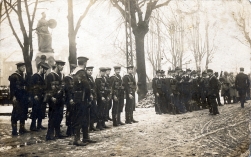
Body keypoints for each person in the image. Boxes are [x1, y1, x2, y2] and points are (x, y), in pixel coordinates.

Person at [71, 57, 96, 146]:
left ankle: (85, 137)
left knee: (84, 117)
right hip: (82, 99)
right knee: (80, 117)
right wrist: (90, 96)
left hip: (78, 98)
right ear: (85, 63)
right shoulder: (82, 72)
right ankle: (77, 139)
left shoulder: (74, 72)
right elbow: (86, 86)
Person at [45, 60, 66, 140]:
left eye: (63, 65)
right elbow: (47, 88)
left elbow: (62, 87)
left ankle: (57, 133)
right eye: (61, 65)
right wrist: (51, 97)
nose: (62, 67)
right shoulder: (50, 75)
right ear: (56, 65)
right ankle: (49, 134)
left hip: (60, 99)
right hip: (53, 99)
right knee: (52, 117)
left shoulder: (61, 75)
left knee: (59, 116)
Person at [9, 62, 29, 135]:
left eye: (24, 66)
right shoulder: (14, 76)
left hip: (24, 97)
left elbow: (27, 86)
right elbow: (12, 88)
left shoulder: (25, 75)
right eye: (22, 67)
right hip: (17, 97)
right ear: (18, 67)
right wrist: (13, 97)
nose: (24, 68)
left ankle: (22, 128)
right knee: (15, 113)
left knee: (23, 112)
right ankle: (14, 130)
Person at [30, 62, 50, 131]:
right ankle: (33, 126)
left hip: (42, 96)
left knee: (41, 111)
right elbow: (32, 87)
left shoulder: (43, 77)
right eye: (45, 69)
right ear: (41, 68)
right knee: (35, 111)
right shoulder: (35, 76)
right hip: (36, 97)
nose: (45, 71)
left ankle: (39, 125)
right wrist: (35, 95)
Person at [86, 66, 99, 131]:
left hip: (93, 96)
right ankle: (87, 127)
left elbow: (94, 87)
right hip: (88, 97)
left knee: (93, 111)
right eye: (89, 70)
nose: (90, 71)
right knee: (87, 112)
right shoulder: (85, 78)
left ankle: (92, 125)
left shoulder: (92, 78)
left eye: (91, 70)